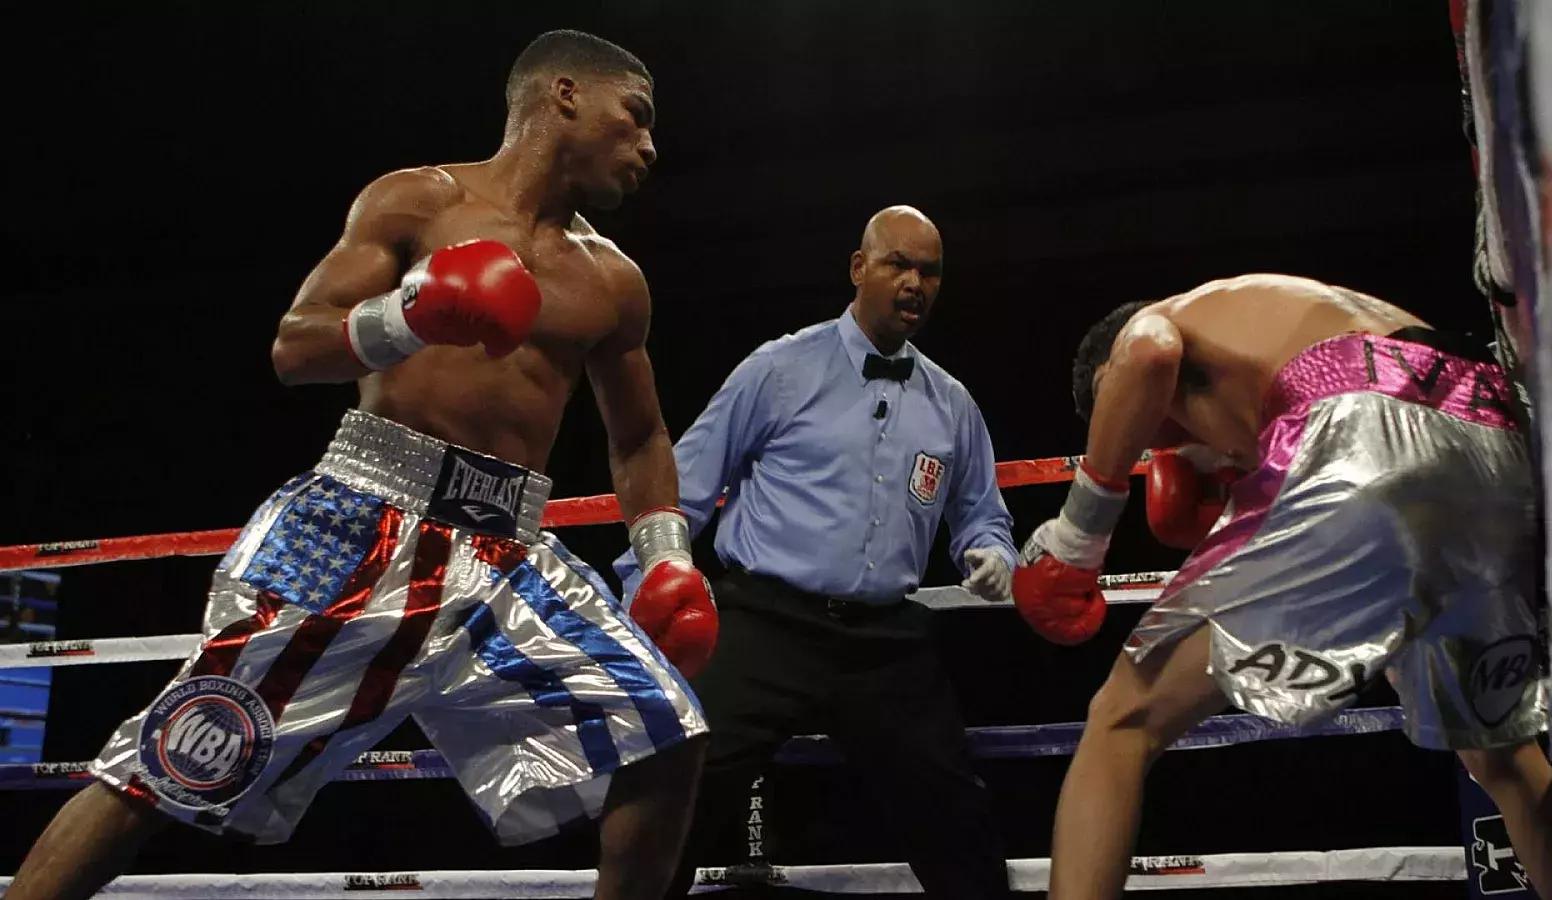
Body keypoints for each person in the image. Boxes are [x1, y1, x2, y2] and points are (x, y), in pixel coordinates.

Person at [4, 30, 716, 900]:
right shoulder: (419, 201)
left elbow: (638, 438)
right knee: (187, 749)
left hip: (509, 552)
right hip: (367, 518)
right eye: (635, 117)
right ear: (563, 95)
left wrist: (667, 557)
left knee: (665, 731)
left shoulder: (614, 279)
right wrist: (413, 314)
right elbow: (294, 348)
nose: (650, 147)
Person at [1009, 272, 1552, 900]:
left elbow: (1148, 351)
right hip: (1491, 428)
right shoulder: (1275, 321)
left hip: (1355, 424)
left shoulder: (1158, 323)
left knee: (1121, 719)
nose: (1161, 440)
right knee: (1505, 756)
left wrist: (1079, 535)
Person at [613, 206, 1019, 899]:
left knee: (954, 808)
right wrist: (646, 580)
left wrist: (991, 554)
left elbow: (982, 516)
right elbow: (681, 485)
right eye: (898, 264)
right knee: (677, 779)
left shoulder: (951, 403)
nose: (914, 282)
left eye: (930, 272)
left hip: (884, 641)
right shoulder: (780, 369)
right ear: (860, 269)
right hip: (767, 620)